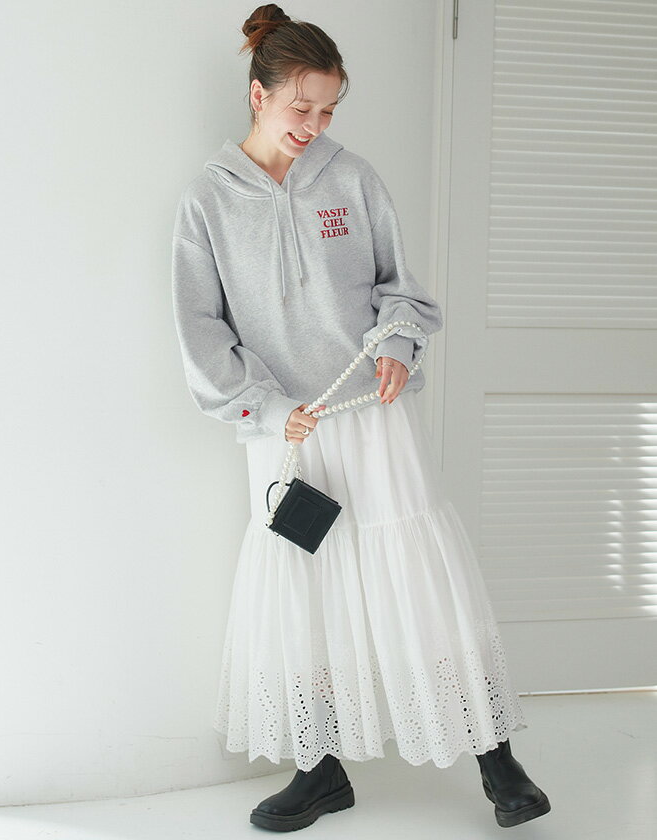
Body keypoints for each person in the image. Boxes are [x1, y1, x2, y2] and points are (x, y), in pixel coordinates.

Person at [171, 3, 551, 832]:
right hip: (286, 432)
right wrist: (268, 407)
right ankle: (319, 771)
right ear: (259, 94)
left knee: (418, 574)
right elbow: (201, 328)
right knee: (300, 587)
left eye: (329, 109)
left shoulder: (352, 178)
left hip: (372, 413)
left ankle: (496, 758)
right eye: (300, 106)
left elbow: (400, 289)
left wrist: (399, 346)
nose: (315, 125)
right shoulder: (209, 200)